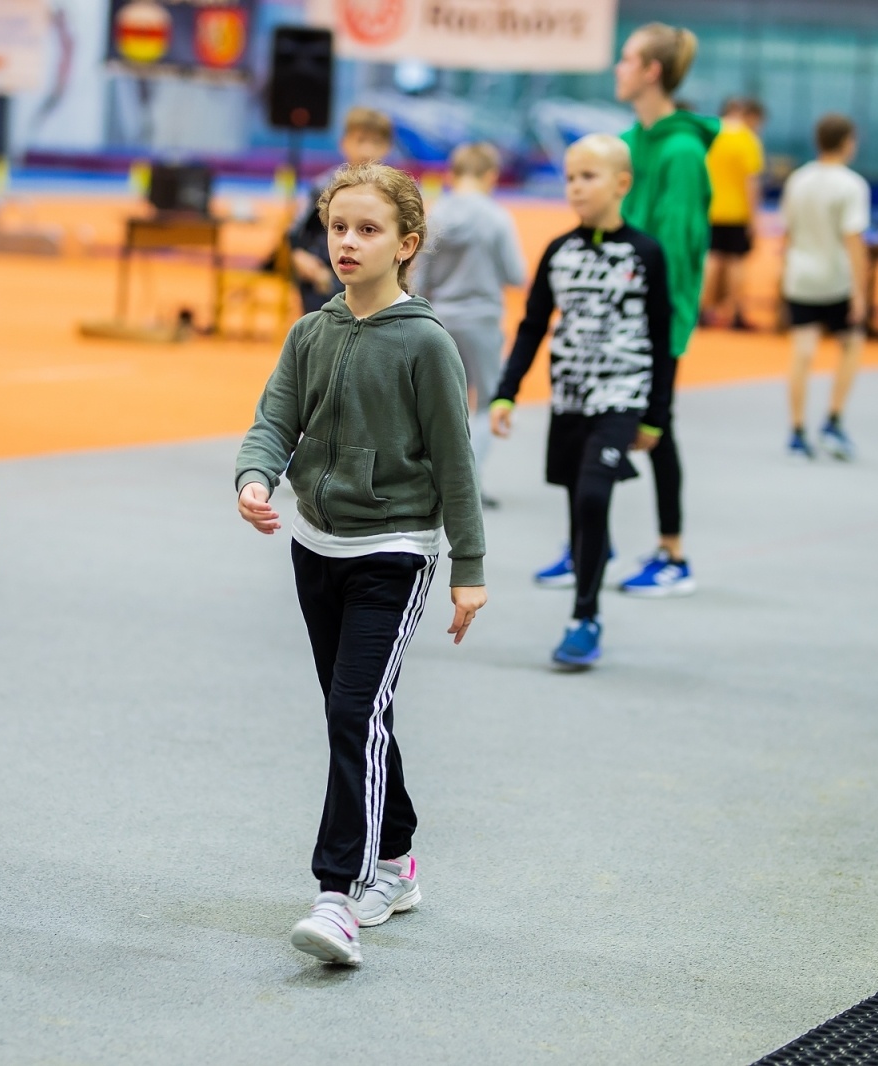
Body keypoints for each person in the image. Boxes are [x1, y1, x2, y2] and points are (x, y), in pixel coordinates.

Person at [235, 163, 486, 966]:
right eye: (339, 226)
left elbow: (456, 460)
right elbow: (274, 418)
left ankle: (337, 894)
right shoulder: (312, 332)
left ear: (406, 244)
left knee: (352, 715)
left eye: (369, 229)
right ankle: (400, 859)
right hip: (317, 549)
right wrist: (253, 476)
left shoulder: (425, 342)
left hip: (395, 553)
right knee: (361, 715)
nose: (348, 242)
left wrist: (468, 567)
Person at [490, 135, 673, 668]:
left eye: (588, 177)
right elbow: (531, 327)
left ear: (621, 183)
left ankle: (584, 616)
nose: (575, 187)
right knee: (578, 508)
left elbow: (662, 338)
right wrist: (506, 392)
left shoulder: (645, 253)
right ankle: (590, 569)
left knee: (595, 497)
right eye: (570, 177)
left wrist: (655, 417)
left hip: (622, 397)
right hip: (571, 399)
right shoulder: (559, 251)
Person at [603, 21, 714, 598]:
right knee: (599, 419)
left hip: (656, 317)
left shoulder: (683, 152)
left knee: (657, 431)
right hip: (615, 311)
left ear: (651, 71)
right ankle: (592, 543)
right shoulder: (631, 140)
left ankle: (673, 554)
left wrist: (662, 325)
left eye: (626, 60)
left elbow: (675, 249)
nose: (617, 69)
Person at [417, 141, 527, 507]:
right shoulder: (497, 217)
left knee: (449, 403)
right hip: (481, 317)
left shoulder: (435, 216)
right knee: (489, 401)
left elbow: (418, 278)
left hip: (440, 317)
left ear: (452, 173)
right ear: (490, 176)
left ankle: (440, 475)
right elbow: (515, 273)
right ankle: (470, 479)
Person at [780, 113, 871, 461]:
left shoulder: (797, 180)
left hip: (800, 277)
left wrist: (784, 274)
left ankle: (797, 431)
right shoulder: (851, 185)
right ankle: (833, 420)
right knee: (851, 345)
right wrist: (860, 292)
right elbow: (854, 241)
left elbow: (787, 233)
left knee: (802, 354)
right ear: (847, 142)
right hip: (836, 281)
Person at [288, 107, 394, 314]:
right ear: (344, 143)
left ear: (387, 147)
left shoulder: (395, 193)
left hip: (376, 283)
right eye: (360, 140)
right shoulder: (323, 186)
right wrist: (302, 259)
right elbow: (294, 232)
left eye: (376, 142)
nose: (367, 150)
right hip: (325, 282)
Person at [703, 97, 766, 330]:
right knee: (736, 262)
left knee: (711, 260)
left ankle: (703, 310)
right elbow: (751, 182)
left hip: (711, 208)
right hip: (737, 211)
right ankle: (735, 312)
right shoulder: (747, 139)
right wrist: (754, 218)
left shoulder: (711, 135)